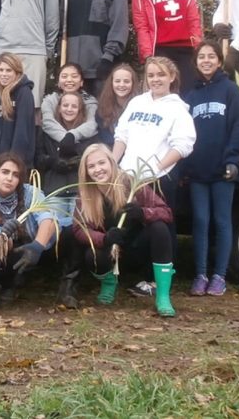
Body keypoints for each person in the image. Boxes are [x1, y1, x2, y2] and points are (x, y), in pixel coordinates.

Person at [71, 144, 177, 317]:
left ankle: (163, 296)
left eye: (101, 163)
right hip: (110, 253)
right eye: (91, 166)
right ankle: (109, 283)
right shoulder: (85, 195)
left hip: (136, 249)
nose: (98, 169)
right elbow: (79, 229)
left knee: (159, 228)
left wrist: (143, 213)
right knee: (92, 255)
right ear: (86, 171)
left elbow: (166, 212)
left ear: (111, 163)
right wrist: (104, 239)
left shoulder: (130, 183)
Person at [182, 41, 239, 297]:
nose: (207, 60)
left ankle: (219, 275)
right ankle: (200, 274)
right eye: (202, 57)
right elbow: (184, 135)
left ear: (219, 62)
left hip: (224, 171)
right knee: (200, 221)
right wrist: (185, 166)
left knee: (222, 221)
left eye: (211, 56)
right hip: (198, 171)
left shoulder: (230, 90)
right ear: (196, 62)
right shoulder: (192, 96)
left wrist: (233, 159)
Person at [112, 56, 195, 214]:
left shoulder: (178, 109)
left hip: (159, 180)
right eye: (151, 75)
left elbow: (182, 146)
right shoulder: (137, 102)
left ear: (171, 77)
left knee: (159, 228)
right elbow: (122, 136)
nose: (155, 79)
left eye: (161, 75)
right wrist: (113, 164)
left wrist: (155, 170)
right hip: (127, 176)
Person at [0, 153, 57, 304]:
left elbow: (48, 218)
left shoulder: (31, 192)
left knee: (70, 233)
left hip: (40, 246)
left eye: (15, 175)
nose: (9, 178)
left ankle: (64, 285)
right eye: (5, 172)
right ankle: (7, 285)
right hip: (13, 249)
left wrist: (37, 246)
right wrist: (5, 232)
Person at [131, 0, 203, 90]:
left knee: (188, 91)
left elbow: (193, 20)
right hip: (160, 49)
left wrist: (198, 46)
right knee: (163, 91)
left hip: (186, 49)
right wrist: (148, 55)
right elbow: (142, 27)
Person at [65, 0, 129, 96]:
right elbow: (63, 28)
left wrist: (108, 57)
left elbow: (119, 26)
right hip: (74, 69)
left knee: (101, 112)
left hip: (101, 66)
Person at [35, 91, 102, 205]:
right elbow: (38, 158)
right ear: (59, 108)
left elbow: (95, 158)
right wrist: (51, 161)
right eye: (65, 105)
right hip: (54, 190)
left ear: (80, 110)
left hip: (80, 191)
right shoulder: (47, 132)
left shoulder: (89, 134)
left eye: (74, 106)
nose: (69, 109)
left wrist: (76, 161)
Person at [0, 53, 36, 170]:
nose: (4, 74)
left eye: (8, 70)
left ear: (17, 72)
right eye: (1, 70)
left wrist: (14, 161)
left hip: (16, 163)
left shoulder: (24, 93)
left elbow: (22, 131)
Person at [39, 63, 100, 145]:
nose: (69, 80)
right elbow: (47, 122)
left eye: (74, 76)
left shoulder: (90, 102)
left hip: (82, 145)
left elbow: (92, 124)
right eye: (64, 76)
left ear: (81, 82)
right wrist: (66, 140)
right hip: (56, 144)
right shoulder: (49, 101)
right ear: (59, 82)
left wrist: (72, 136)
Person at [95, 63, 140, 146]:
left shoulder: (141, 106)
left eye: (126, 81)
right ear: (111, 83)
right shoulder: (102, 108)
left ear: (133, 83)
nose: (121, 85)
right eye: (117, 81)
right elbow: (105, 137)